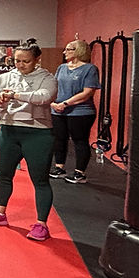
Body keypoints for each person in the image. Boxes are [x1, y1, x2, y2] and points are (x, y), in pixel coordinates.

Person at [0, 42, 58, 242]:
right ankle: (0, 213)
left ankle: (41, 224)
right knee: (4, 175)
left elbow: (44, 97)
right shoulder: (5, 77)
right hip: (9, 130)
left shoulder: (47, 78)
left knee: (40, 180)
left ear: (37, 60)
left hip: (38, 133)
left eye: (26, 61)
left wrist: (14, 95)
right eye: (17, 61)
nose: (20, 65)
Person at [50, 39, 101, 184]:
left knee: (80, 140)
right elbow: (55, 86)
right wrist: (53, 102)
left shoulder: (89, 69)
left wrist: (65, 103)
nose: (65, 52)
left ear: (78, 51)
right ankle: (59, 167)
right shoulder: (61, 68)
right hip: (58, 110)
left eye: (69, 49)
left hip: (80, 112)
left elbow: (88, 92)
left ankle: (80, 173)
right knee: (59, 139)